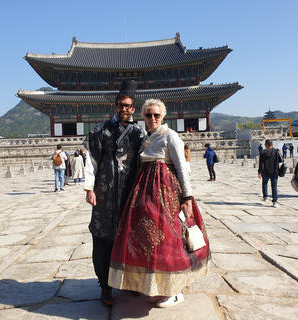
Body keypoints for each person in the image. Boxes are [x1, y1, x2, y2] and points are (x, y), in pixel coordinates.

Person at [108, 99, 210, 308]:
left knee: (170, 239)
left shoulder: (170, 136)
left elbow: (182, 168)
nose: (152, 119)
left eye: (156, 115)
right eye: (148, 115)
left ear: (163, 116)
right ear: (143, 117)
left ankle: (175, 289)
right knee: (150, 240)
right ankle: (159, 285)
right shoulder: (147, 137)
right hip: (145, 193)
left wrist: (187, 198)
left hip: (166, 194)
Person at [83, 79, 145, 306]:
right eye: (121, 105)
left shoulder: (139, 133)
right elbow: (91, 160)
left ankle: (131, 282)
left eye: (129, 106)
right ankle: (105, 287)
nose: (125, 109)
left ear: (133, 108)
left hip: (130, 195)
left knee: (130, 239)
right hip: (104, 195)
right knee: (102, 240)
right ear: (115, 106)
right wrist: (89, 188)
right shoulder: (100, 131)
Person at [258, 139, 283, 207]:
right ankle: (275, 201)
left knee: (265, 183)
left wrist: (259, 172)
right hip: (275, 171)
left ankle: (265, 197)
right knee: (274, 186)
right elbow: (281, 160)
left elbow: (261, 163)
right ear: (272, 145)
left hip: (265, 171)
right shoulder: (276, 151)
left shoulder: (263, 152)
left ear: (265, 145)